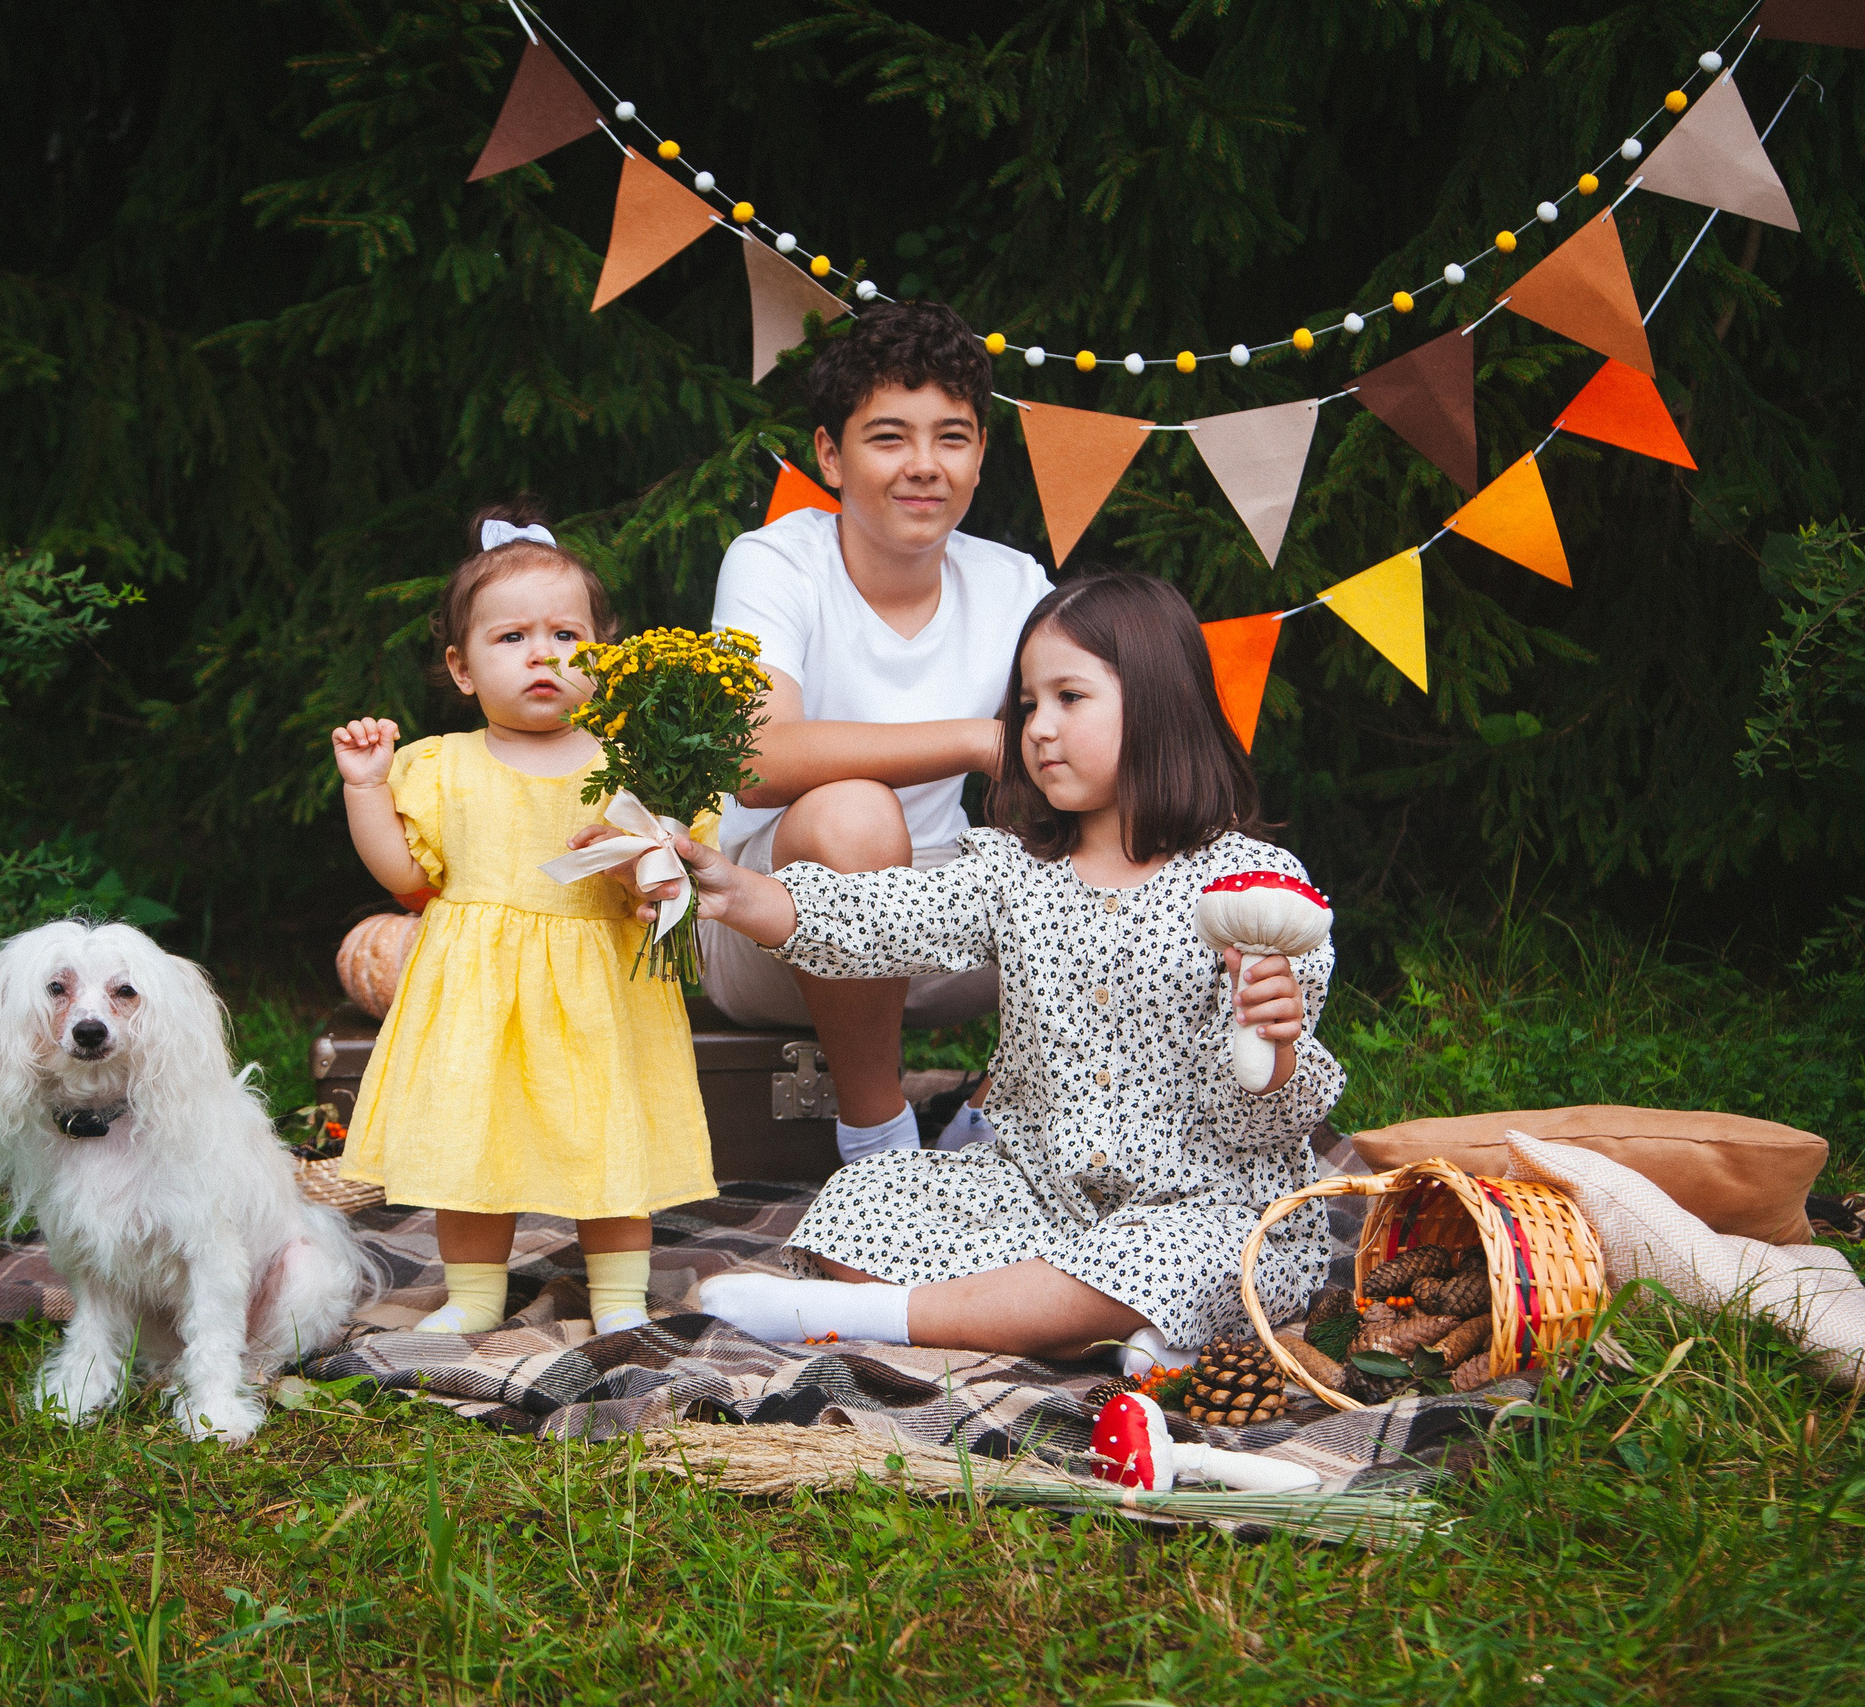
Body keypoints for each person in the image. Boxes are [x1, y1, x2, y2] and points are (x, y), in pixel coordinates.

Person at [597, 573, 1341, 1364]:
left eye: (1070, 698)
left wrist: (1276, 1045)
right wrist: (735, 891)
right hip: (1036, 1197)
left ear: (1161, 703)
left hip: (1201, 1208)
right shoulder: (1015, 871)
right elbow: (878, 919)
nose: (1037, 728)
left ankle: (875, 1315)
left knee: (1188, 1256)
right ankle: (1084, 1320)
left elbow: (1265, 1123)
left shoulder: (1255, 890)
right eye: (1027, 704)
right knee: (865, 1199)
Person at [329, 504, 714, 1336]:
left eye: (567, 636)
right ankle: (474, 1292)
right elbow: (403, 873)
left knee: (612, 1137)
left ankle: (617, 1295)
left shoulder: (630, 765)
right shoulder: (444, 764)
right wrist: (366, 787)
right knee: (473, 1139)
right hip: (480, 997)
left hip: (598, 997)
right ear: (462, 668)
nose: (543, 654)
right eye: (510, 638)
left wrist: (646, 863)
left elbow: (671, 875)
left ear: (605, 656)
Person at [703, 302, 1052, 1163]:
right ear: (830, 455)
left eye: (952, 438)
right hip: (774, 921)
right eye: (889, 437)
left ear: (980, 455)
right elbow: (755, 759)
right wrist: (974, 738)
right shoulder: (775, 562)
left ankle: (997, 1117)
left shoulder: (1013, 585)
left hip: (944, 925)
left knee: (1127, 851)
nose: (924, 466)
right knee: (855, 814)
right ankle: (877, 1141)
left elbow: (1095, 754)